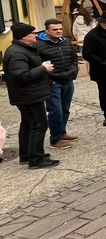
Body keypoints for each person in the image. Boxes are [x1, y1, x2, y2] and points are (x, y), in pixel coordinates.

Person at [4, 23, 60, 168]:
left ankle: (27, 155)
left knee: (28, 124)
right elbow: (22, 75)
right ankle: (36, 159)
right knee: (38, 125)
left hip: (27, 94)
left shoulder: (22, 49)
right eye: (33, 33)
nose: (36, 35)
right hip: (28, 96)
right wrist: (43, 68)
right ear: (24, 36)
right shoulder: (17, 53)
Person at [35, 19, 80, 150]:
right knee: (56, 111)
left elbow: (74, 59)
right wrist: (55, 77)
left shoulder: (66, 41)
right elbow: (40, 66)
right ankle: (55, 139)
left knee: (65, 109)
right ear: (47, 31)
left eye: (60, 29)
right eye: (55, 29)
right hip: (52, 82)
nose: (58, 31)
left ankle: (62, 133)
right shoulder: (39, 45)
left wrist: (71, 73)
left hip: (68, 81)